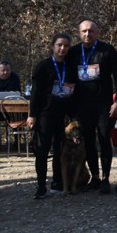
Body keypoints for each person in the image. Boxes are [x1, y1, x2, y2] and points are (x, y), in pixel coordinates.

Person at [66, 19, 117, 194]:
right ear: (79, 33)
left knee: (105, 139)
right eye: (84, 31)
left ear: (97, 32)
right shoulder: (73, 52)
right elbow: (68, 78)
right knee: (88, 141)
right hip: (82, 105)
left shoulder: (107, 50)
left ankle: (106, 178)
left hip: (103, 104)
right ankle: (95, 177)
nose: (87, 34)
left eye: (91, 31)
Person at [28, 33, 77, 199]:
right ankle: (41, 186)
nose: (62, 48)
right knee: (42, 151)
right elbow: (35, 93)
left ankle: (57, 182)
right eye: (59, 45)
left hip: (63, 116)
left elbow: (73, 92)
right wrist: (32, 115)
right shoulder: (43, 66)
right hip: (45, 114)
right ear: (53, 46)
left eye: (66, 46)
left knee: (60, 150)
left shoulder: (70, 67)